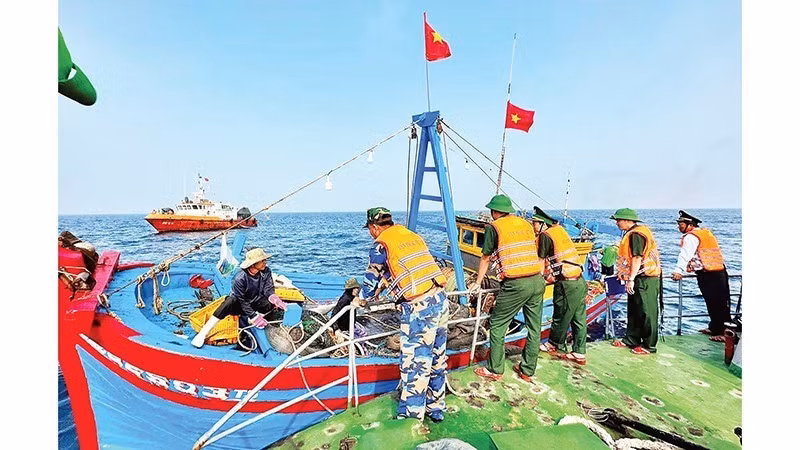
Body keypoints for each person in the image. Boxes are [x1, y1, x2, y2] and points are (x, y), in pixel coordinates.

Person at [359, 207, 449, 423]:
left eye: (370, 229)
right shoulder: (410, 235)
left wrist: (361, 298)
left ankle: (411, 418)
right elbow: (406, 266)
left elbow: (371, 278)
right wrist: (385, 283)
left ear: (374, 227)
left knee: (415, 364)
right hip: (440, 299)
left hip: (420, 307)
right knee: (437, 359)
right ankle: (435, 409)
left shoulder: (381, 244)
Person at [469, 194, 545, 383]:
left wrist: (478, 283)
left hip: (516, 283)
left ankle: (495, 369)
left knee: (497, 325)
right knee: (534, 328)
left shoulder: (494, 227)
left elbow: (486, 257)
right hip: (537, 280)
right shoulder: (526, 224)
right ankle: (527, 370)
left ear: (494, 212)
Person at [191, 248, 288, 348]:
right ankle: (203, 333)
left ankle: (257, 318)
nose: (265, 262)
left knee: (269, 303)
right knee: (229, 302)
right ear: (253, 264)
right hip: (241, 305)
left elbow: (268, 289)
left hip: (256, 301)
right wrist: (253, 315)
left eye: (265, 260)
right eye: (262, 261)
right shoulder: (240, 278)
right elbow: (241, 300)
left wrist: (273, 297)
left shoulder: (266, 272)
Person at [531, 207, 589, 365]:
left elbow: (540, 261)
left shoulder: (545, 235)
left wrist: (537, 280)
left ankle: (554, 344)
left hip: (567, 285)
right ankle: (579, 352)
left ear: (542, 224)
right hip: (579, 280)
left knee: (559, 316)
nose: (533, 226)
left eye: (535, 223)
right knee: (579, 319)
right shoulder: (560, 231)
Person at [670, 210, 732, 342]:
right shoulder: (704, 234)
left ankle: (724, 333)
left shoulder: (691, 237)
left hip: (711, 274)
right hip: (714, 271)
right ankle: (715, 327)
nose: (678, 226)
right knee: (713, 301)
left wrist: (678, 270)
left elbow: (685, 254)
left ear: (690, 225)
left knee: (718, 303)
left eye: (681, 224)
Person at [609, 208, 662, 355]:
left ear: (627, 221)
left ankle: (649, 345)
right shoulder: (634, 233)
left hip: (644, 279)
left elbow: (637, 258)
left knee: (647, 311)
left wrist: (631, 279)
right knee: (634, 310)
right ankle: (631, 339)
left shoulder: (636, 235)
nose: (617, 223)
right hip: (638, 278)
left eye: (618, 220)